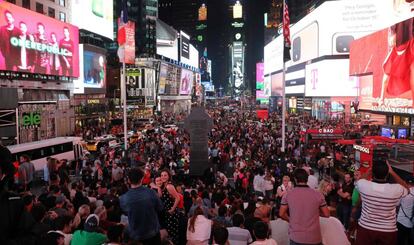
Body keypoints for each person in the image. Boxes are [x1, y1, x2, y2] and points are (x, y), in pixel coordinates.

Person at [355, 160, 409, 245]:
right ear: (387, 174)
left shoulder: (364, 186)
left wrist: (369, 170)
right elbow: (407, 189)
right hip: (388, 230)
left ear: (372, 173)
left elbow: (360, 181)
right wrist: (392, 172)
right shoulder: (396, 189)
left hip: (366, 227)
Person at [279, 169, 330, 245]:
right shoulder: (318, 194)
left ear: (295, 179)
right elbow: (327, 214)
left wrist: (290, 220)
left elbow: (281, 213)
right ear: (307, 179)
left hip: (296, 236)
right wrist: (315, 212)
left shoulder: (288, 195)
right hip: (314, 237)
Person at [120, 168, 163, 245]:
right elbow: (160, 208)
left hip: (136, 236)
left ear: (129, 180)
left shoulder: (123, 198)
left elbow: (126, 212)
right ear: (142, 179)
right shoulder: (151, 193)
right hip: (153, 234)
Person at [159, 169, 181, 244]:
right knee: (169, 234)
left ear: (169, 176)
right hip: (167, 213)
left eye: (165, 175)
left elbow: (178, 198)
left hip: (172, 214)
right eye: (161, 175)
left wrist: (172, 209)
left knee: (172, 234)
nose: (163, 177)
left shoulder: (169, 186)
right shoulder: (163, 186)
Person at [396, 177, 414, 245]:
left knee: (400, 241)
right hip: (410, 222)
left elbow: (397, 203)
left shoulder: (403, 191)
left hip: (401, 220)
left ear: (405, 182)